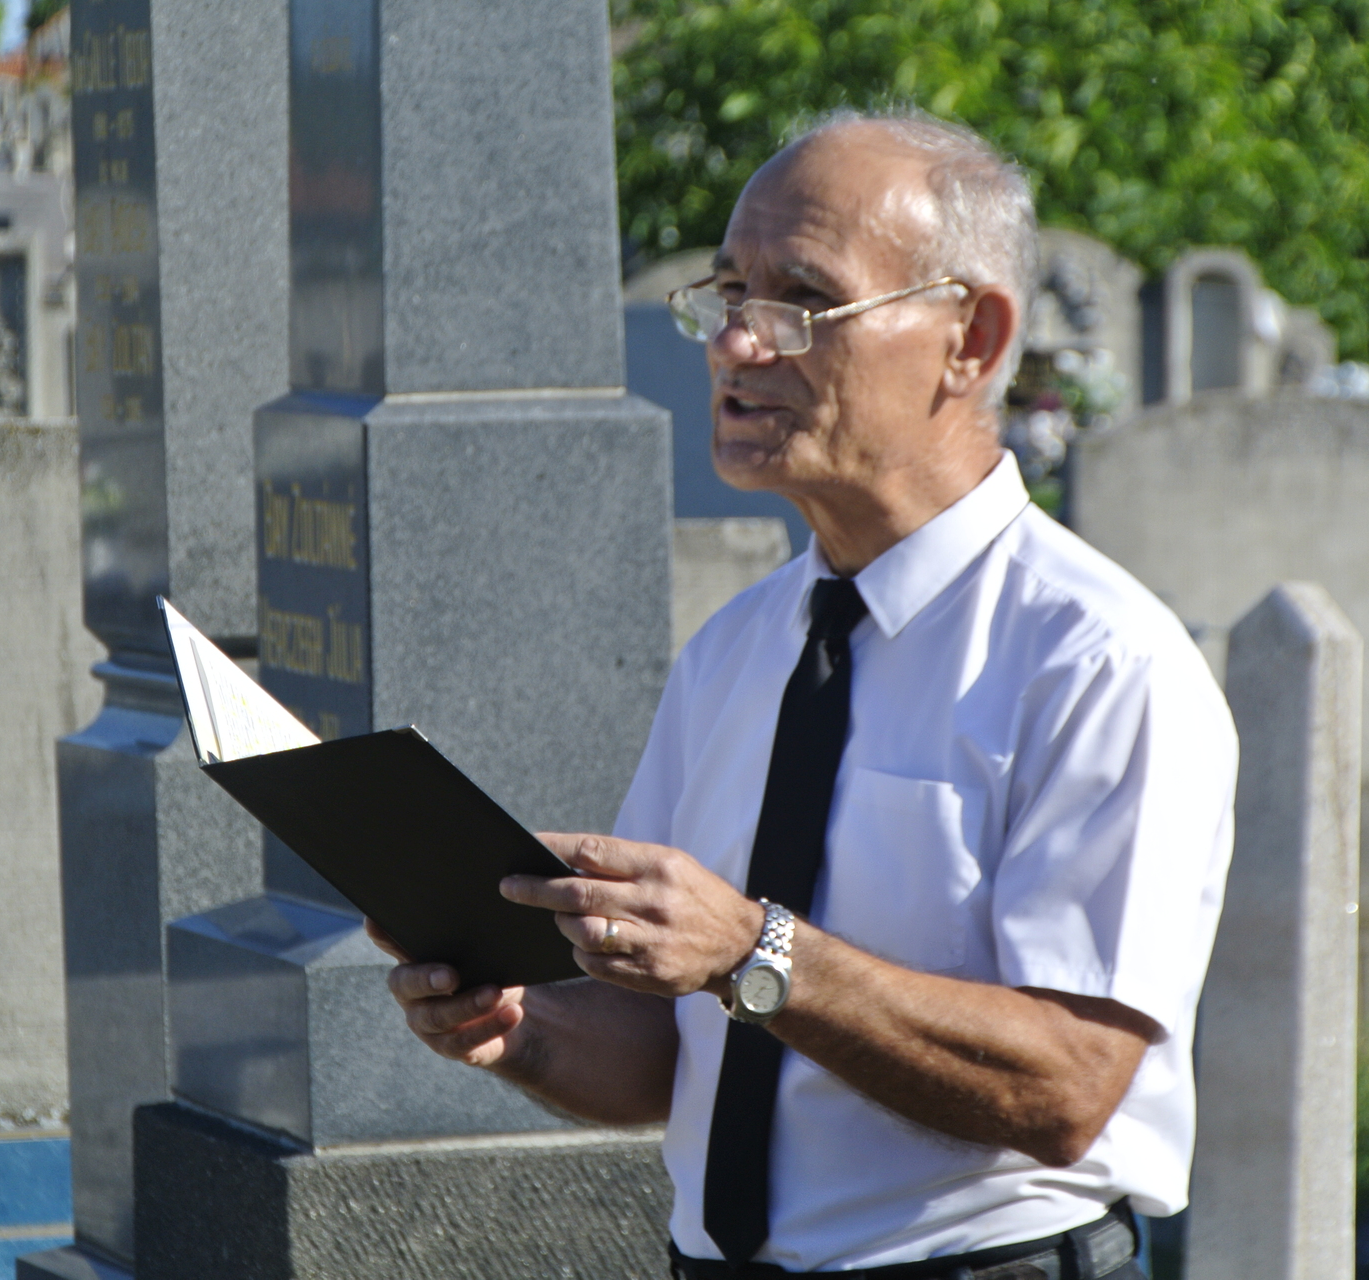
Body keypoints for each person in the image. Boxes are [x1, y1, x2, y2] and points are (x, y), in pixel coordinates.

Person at [373, 109, 1237, 1279]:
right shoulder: (737, 647)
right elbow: (672, 1054)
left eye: (800, 300)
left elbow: (1068, 1083)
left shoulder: (1096, 660)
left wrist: (751, 949)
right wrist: (520, 1026)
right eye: (728, 294)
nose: (736, 345)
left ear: (970, 339)